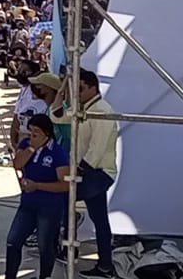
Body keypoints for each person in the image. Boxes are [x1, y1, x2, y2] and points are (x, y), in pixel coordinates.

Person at [63, 69, 119, 279]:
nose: (77, 93)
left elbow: (96, 148)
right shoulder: (87, 108)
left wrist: (78, 169)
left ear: (93, 87)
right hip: (91, 171)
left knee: (63, 200)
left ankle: (68, 247)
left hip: (97, 172)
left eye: (80, 89)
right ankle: (104, 265)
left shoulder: (101, 110)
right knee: (99, 219)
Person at [5, 114, 69, 279]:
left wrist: (38, 185)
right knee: (13, 240)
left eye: (36, 133)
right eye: (30, 131)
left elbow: (65, 184)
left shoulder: (57, 153)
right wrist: (32, 148)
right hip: (28, 204)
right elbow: (17, 164)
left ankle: (45, 276)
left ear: (46, 134)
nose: (31, 136)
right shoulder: (26, 145)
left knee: (45, 245)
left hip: (49, 205)